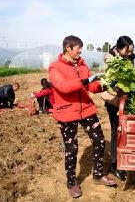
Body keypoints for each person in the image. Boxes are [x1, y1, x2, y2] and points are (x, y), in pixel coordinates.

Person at [49, 35, 116, 199]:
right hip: (66, 112)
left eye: (80, 48)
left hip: (86, 109)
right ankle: (72, 183)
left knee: (100, 141)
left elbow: (91, 87)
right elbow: (64, 87)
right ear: (68, 48)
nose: (80, 51)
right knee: (71, 149)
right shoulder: (55, 67)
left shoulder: (82, 64)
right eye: (78, 48)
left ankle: (98, 175)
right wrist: (85, 80)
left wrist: (105, 84)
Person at [101, 35, 135, 181]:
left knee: (125, 133)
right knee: (116, 132)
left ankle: (125, 161)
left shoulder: (127, 57)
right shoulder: (110, 59)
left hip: (125, 100)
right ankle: (115, 166)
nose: (129, 54)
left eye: (131, 52)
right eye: (127, 51)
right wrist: (120, 87)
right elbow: (110, 82)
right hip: (114, 102)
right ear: (119, 48)